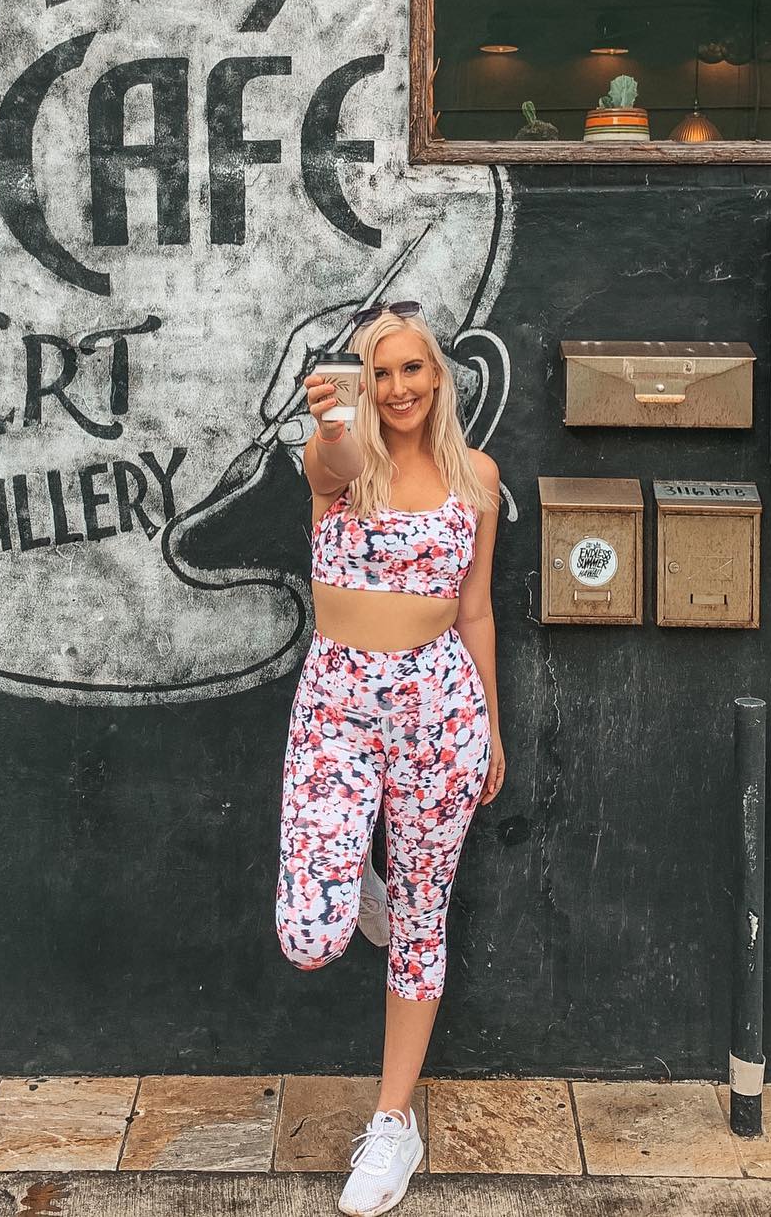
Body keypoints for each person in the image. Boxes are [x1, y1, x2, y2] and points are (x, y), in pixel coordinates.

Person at [276, 302, 506, 1217]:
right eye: (382, 372)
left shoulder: (477, 478)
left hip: (440, 703)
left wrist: (491, 722)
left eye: (413, 369)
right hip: (337, 698)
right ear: (364, 384)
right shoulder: (342, 467)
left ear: (438, 378)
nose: (399, 387)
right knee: (310, 936)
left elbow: (477, 608)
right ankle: (353, 887)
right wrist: (331, 423)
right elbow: (330, 458)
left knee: (423, 915)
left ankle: (392, 1120)